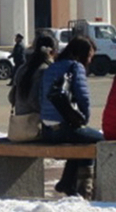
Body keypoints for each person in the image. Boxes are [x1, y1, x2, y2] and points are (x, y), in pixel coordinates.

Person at [40, 36, 104, 197]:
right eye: (89, 56)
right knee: (101, 141)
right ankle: (85, 188)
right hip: (64, 129)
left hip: (48, 131)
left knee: (81, 139)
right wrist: (83, 121)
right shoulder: (76, 67)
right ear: (80, 54)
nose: (90, 60)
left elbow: (41, 97)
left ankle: (67, 182)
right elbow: (84, 98)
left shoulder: (51, 68)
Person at [8, 34, 57, 118]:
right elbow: (34, 100)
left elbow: (11, 97)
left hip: (20, 120)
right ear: (51, 51)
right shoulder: (45, 70)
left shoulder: (22, 68)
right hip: (36, 122)